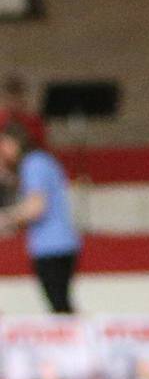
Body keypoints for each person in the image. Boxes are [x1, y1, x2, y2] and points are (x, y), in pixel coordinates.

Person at [0, 125, 80, 314]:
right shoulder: (41, 162)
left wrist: (6, 218)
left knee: (59, 305)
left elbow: (36, 207)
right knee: (61, 303)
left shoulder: (33, 164)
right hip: (60, 242)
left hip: (51, 246)